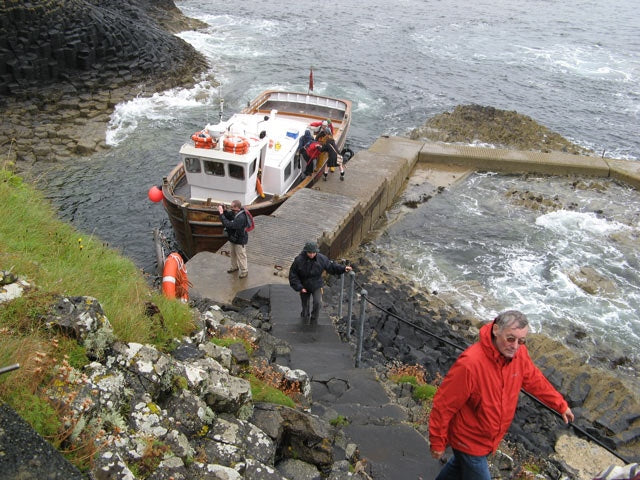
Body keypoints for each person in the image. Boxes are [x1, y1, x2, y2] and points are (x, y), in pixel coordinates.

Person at [428, 310, 574, 480]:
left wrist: (560, 404)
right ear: (496, 330)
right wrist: (437, 441)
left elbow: (534, 380)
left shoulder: (519, 354)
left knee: (458, 466)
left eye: (522, 341)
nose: (515, 346)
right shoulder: (470, 364)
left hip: (489, 439)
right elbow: (444, 404)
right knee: (468, 465)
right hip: (468, 439)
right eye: (510, 338)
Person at [288, 241, 352, 322]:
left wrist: (343, 268)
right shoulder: (298, 260)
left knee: (317, 302)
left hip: (316, 284)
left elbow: (331, 267)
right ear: (306, 251)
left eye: (313, 253)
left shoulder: (322, 259)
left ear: (316, 252)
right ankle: (304, 319)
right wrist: (299, 287)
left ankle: (314, 320)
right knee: (305, 305)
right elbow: (293, 275)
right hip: (303, 285)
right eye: (309, 253)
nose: (311, 255)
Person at [218, 200, 250, 278]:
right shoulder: (235, 212)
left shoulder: (241, 217)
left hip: (240, 239)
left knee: (241, 255)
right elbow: (228, 216)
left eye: (232, 207)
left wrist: (221, 214)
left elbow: (229, 225)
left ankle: (244, 271)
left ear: (237, 207)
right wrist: (224, 210)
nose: (231, 209)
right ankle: (234, 267)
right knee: (233, 254)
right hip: (233, 238)